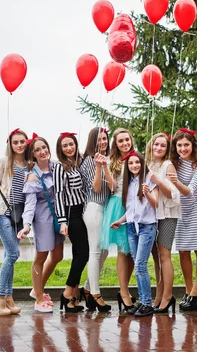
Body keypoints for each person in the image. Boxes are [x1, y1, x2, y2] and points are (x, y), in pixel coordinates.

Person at [16, 134, 64, 313]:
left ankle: (37, 288)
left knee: (58, 256)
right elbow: (29, 205)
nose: (43, 151)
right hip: (43, 219)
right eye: (37, 150)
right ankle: (38, 298)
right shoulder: (32, 177)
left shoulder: (57, 168)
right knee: (40, 258)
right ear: (33, 155)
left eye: (44, 147)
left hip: (59, 217)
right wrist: (26, 225)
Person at [0, 128, 28, 316]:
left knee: (9, 256)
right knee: (12, 254)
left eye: (21, 142)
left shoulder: (29, 164)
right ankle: (0, 296)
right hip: (3, 213)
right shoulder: (3, 162)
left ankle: (9, 297)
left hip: (20, 215)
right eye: (15, 142)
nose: (19, 145)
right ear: (10, 144)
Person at [169, 128, 197, 311]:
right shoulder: (174, 164)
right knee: (183, 250)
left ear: (193, 145)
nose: (182, 148)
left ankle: (196, 291)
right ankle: (188, 290)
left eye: (186, 144)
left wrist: (174, 182)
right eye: (179, 145)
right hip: (181, 211)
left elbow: (189, 191)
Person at [111, 151, 159, 317]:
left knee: (140, 265)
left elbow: (155, 204)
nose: (134, 166)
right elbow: (131, 209)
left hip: (147, 227)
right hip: (131, 226)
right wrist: (120, 220)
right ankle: (143, 300)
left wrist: (147, 193)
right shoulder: (129, 183)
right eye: (131, 163)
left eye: (137, 162)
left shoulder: (149, 181)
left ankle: (147, 303)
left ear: (142, 163)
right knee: (138, 265)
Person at [100, 128, 136, 312]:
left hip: (134, 205)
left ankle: (126, 290)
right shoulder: (112, 161)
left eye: (127, 140)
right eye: (120, 141)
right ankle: (123, 292)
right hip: (119, 205)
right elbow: (113, 187)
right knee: (123, 250)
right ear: (116, 143)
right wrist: (106, 168)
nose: (124, 143)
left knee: (130, 252)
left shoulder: (136, 158)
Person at [79, 127, 114, 312]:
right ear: (93, 141)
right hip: (94, 207)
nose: (103, 142)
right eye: (99, 139)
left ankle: (86, 288)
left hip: (106, 209)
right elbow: (98, 189)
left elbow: (113, 187)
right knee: (95, 251)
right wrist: (99, 166)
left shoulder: (107, 159)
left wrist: (105, 166)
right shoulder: (89, 161)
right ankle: (95, 293)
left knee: (105, 251)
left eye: (105, 138)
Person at [145, 132, 180, 314]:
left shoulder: (168, 166)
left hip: (167, 214)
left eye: (162, 145)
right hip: (152, 215)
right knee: (156, 257)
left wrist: (158, 180)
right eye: (156, 144)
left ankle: (167, 296)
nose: (158, 148)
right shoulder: (149, 164)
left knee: (164, 255)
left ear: (167, 149)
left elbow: (173, 195)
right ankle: (158, 295)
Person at [54, 132, 88, 313]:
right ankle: (67, 294)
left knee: (78, 255)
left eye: (71, 144)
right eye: (64, 146)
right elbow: (59, 195)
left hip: (83, 211)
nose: (68, 148)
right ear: (60, 149)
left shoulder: (79, 163)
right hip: (71, 213)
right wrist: (62, 221)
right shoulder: (61, 167)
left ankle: (73, 297)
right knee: (83, 254)